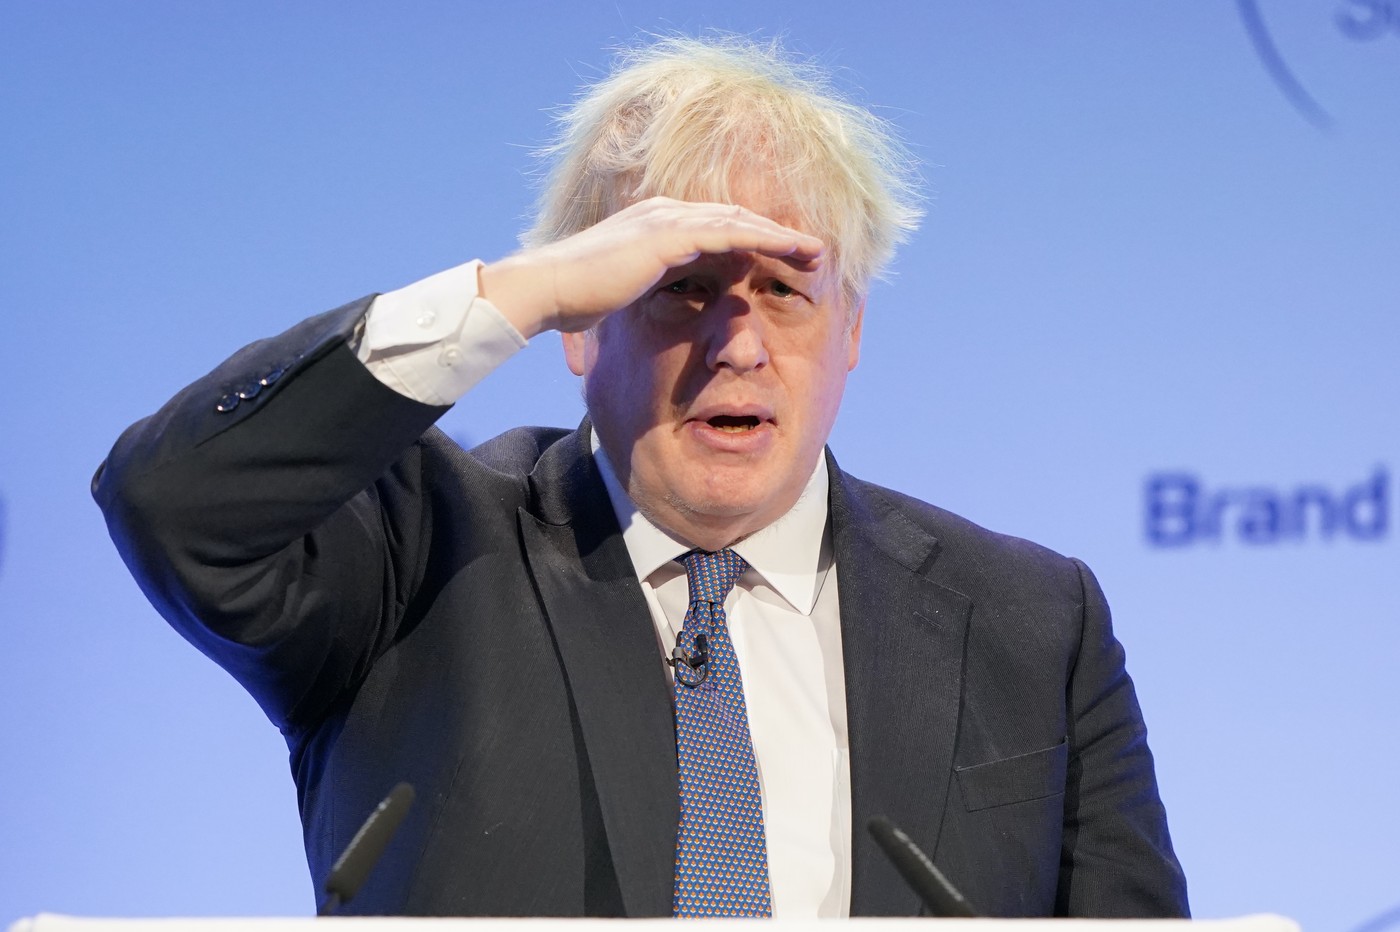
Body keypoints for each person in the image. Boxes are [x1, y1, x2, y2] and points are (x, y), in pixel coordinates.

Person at [94, 36, 1188, 918]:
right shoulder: (414, 549)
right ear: (581, 325)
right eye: (681, 285)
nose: (738, 344)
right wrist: (516, 290)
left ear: (850, 330)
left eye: (784, 291)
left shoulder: (1031, 622)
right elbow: (171, 499)